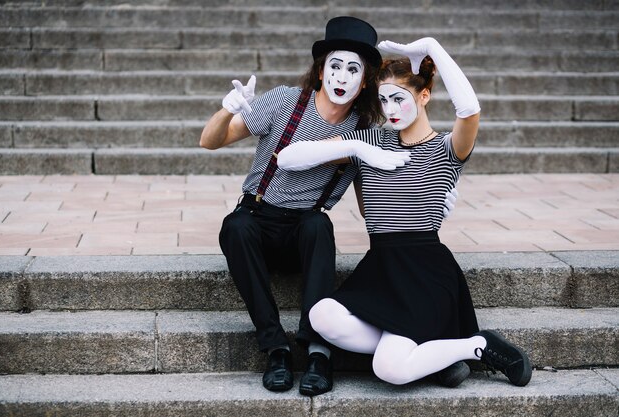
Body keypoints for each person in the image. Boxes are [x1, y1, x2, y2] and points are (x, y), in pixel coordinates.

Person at [277, 37, 533, 389]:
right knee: (321, 315)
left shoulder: (447, 148)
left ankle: (477, 346)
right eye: (383, 100)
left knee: (390, 369)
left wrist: (434, 48)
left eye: (399, 98)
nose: (390, 108)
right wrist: (354, 146)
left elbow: (469, 110)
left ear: (423, 97)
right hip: (381, 269)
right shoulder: (373, 142)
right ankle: (435, 355)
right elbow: (288, 157)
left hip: (425, 273)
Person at [199, 16, 419, 396]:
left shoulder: (365, 131)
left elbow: (371, 206)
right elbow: (209, 141)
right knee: (235, 227)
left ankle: (319, 351)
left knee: (319, 226)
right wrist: (226, 108)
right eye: (335, 66)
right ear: (321, 71)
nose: (342, 77)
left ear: (365, 80)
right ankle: (275, 349)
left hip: (305, 230)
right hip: (258, 218)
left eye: (354, 69)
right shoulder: (285, 101)